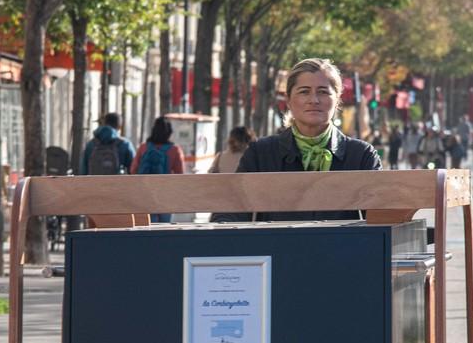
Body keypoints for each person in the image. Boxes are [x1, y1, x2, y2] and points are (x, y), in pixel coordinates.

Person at [214, 57, 380, 223]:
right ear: (288, 100)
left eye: (323, 92)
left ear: (337, 99)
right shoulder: (261, 153)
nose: (313, 100)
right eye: (304, 91)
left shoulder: (361, 155)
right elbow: (230, 211)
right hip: (277, 247)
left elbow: (384, 214)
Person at [130, 115, 187, 223]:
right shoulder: (175, 150)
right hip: (166, 193)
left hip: (146, 193)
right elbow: (180, 175)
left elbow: (133, 170)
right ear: (169, 132)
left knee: (148, 225)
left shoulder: (143, 148)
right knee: (164, 226)